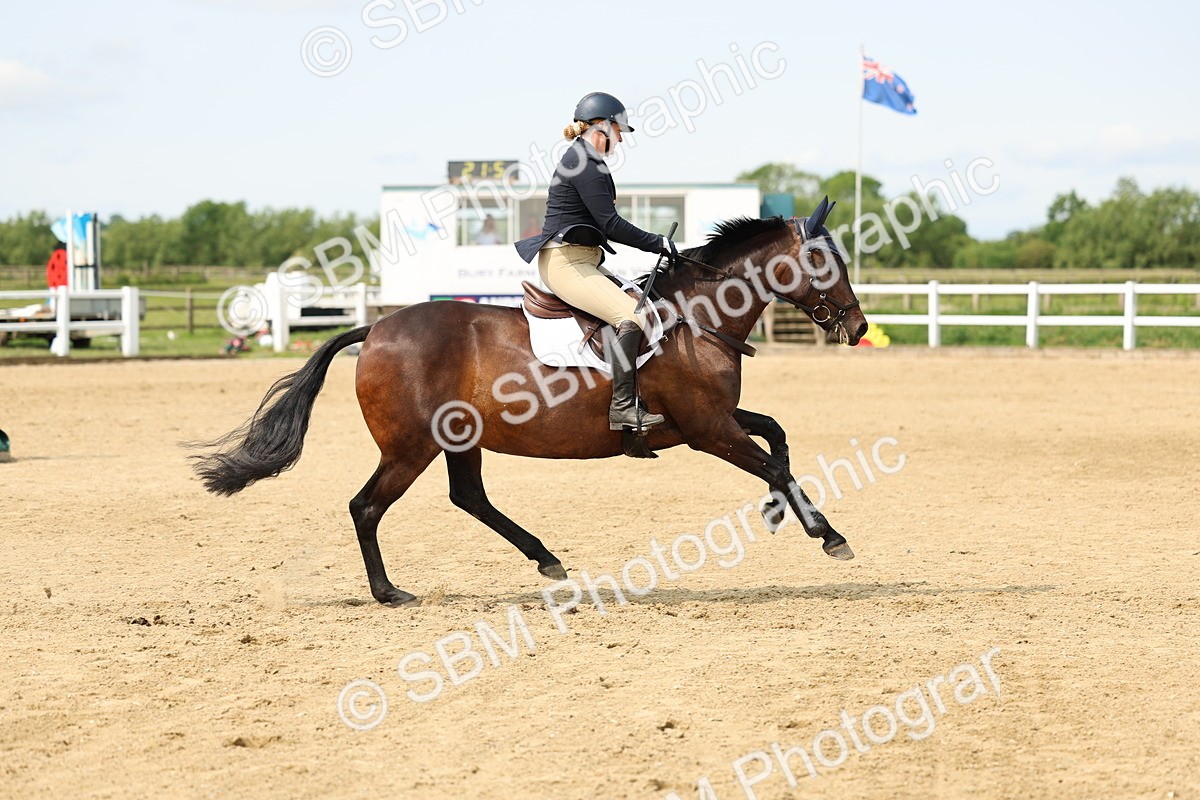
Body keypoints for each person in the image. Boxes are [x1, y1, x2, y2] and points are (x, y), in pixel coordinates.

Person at [515, 92, 677, 432]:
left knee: (638, 303)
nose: (620, 139)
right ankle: (621, 408)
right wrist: (658, 243)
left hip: (583, 260)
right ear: (602, 126)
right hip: (566, 263)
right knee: (631, 316)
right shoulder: (584, 163)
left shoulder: (587, 159)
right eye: (619, 131)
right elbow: (610, 224)